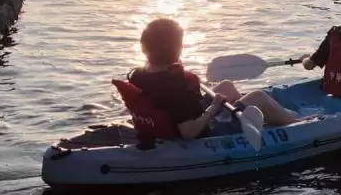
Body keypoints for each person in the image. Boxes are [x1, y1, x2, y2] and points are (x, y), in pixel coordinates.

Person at [128, 18, 298, 140]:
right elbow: (189, 132)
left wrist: (175, 66)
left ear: (145, 47)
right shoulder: (175, 86)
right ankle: (299, 124)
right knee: (258, 98)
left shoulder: (139, 74)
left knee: (226, 86)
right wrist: (214, 107)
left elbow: (170, 101)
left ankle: (240, 114)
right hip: (204, 131)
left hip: (174, 119)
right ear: (177, 48)